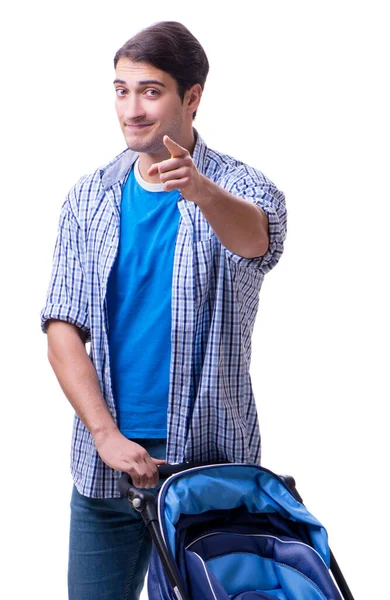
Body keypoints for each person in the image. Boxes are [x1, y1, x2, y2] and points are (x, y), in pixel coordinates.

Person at [41, 20, 287, 600]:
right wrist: (104, 435)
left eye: (150, 91)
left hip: (210, 470)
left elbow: (258, 241)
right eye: (121, 90)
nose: (131, 108)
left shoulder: (243, 188)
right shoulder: (90, 195)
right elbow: (61, 327)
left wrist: (201, 192)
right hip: (108, 469)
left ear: (192, 98)